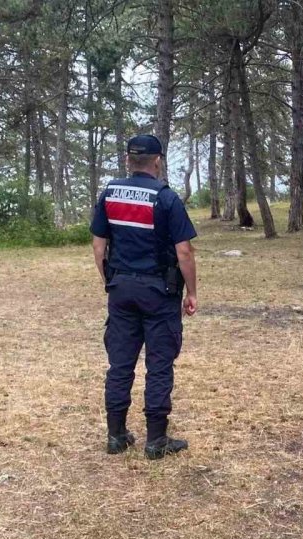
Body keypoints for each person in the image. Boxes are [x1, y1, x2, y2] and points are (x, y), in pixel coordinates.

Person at [90, 134, 199, 460]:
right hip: (159, 292)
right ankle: (156, 440)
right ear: (157, 161)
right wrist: (191, 291)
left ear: (127, 160)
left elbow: (98, 245)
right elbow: (184, 251)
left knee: (120, 363)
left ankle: (116, 435)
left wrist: (110, 278)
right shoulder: (166, 199)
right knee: (159, 364)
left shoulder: (109, 193)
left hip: (121, 289)